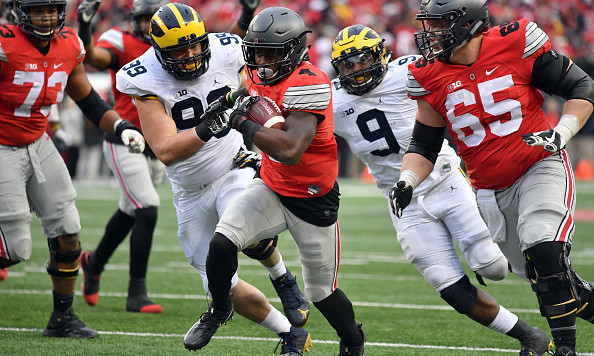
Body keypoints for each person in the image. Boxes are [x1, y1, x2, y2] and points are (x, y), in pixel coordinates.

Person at [331, 24, 554, 355]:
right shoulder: (332, 99)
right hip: (402, 200)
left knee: (493, 268)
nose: (356, 71)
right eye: (347, 64)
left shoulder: (412, 72)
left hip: (445, 179)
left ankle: (563, 288)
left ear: (380, 55)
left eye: (362, 60)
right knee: (447, 284)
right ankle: (529, 337)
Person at [394, 0, 594, 355]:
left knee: (543, 245)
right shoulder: (427, 74)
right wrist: (408, 179)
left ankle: (565, 349)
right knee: (538, 273)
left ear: (467, 22)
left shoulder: (514, 42)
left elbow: (581, 87)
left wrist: (561, 133)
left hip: (539, 164)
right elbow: (424, 143)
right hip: (489, 189)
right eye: (428, 24)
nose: (430, 33)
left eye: (439, 23)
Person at [115, 3, 312, 354]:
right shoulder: (144, 77)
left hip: (232, 166)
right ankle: (288, 332)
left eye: (195, 44)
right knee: (221, 282)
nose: (191, 55)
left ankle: (282, 278)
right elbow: (166, 150)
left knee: (239, 225)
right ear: (159, 51)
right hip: (188, 189)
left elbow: (259, 79)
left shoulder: (227, 49)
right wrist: (209, 127)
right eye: (180, 49)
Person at [193, 7, 365, 356]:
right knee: (222, 244)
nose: (262, 60)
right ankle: (219, 308)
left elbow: (290, 150)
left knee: (322, 294)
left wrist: (243, 123)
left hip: (312, 199)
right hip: (272, 186)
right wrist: (225, 103)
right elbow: (247, 87)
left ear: (294, 49)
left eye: (271, 52)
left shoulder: (309, 82)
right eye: (256, 52)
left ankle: (352, 340)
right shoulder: (262, 72)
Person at [0, 0, 145, 338]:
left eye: (51, 9)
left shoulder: (69, 44)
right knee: (14, 248)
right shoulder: (5, 44)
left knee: (67, 230)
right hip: (2, 145)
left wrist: (121, 126)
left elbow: (89, 100)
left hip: (38, 141)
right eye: (38, 10)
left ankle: (62, 319)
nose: (46, 17)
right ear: (21, 13)